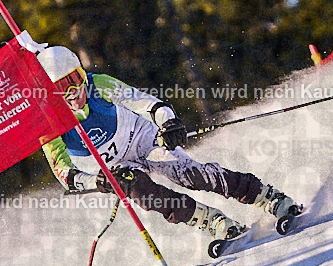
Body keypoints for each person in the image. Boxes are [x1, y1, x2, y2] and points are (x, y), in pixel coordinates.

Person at [38, 45, 298, 240]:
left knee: (190, 175)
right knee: (144, 194)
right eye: (61, 87)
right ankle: (211, 221)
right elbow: (64, 174)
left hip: (143, 139)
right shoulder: (49, 125)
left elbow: (146, 103)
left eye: (74, 79)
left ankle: (267, 197)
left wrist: (168, 122)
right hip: (118, 167)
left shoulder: (99, 85)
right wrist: (96, 181)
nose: (73, 92)